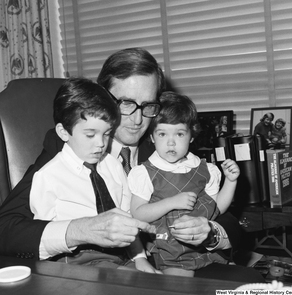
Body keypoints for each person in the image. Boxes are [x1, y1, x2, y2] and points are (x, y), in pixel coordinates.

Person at [0, 47, 264, 282]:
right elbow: (6, 229)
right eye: (126, 104)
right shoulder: (67, 149)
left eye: (148, 105)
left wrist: (211, 233)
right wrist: (81, 229)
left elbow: (220, 210)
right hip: (100, 270)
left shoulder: (164, 143)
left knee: (250, 284)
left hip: (178, 261)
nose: (137, 119)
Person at [29, 77, 155, 271]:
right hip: (75, 261)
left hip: (120, 256)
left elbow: (126, 219)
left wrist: (139, 258)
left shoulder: (112, 166)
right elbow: (43, 236)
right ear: (63, 132)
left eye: (106, 134)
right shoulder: (47, 176)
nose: (101, 144)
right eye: (90, 135)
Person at [128, 92, 240, 277]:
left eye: (179, 134)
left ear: (192, 136)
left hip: (207, 250)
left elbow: (216, 209)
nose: (171, 142)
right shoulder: (145, 173)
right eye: (162, 133)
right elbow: (138, 213)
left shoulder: (206, 169)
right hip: (172, 254)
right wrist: (171, 202)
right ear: (152, 137)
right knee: (181, 287)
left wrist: (231, 181)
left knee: (234, 280)